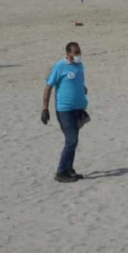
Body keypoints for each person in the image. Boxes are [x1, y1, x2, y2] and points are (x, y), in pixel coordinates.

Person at [41, 42, 89, 183]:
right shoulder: (59, 67)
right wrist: (45, 109)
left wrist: (82, 90)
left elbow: (79, 82)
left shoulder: (80, 66)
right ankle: (61, 172)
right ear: (68, 53)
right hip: (64, 110)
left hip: (78, 109)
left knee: (73, 141)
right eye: (75, 52)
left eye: (79, 52)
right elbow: (48, 87)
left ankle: (69, 169)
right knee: (71, 140)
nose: (78, 55)